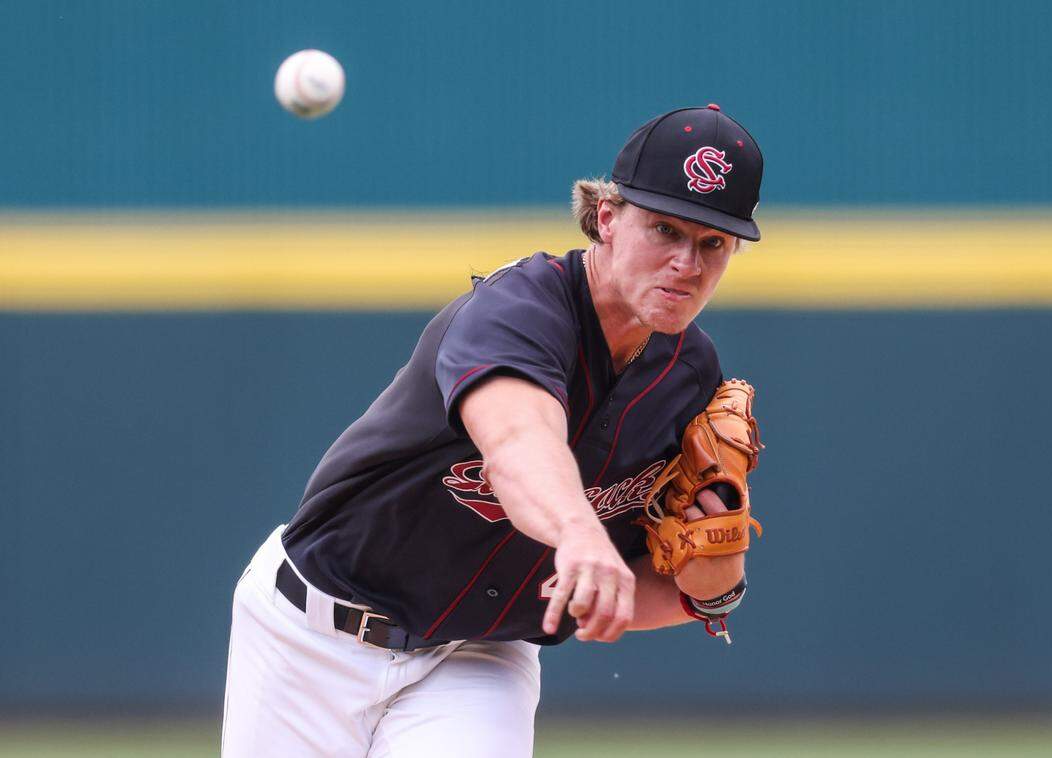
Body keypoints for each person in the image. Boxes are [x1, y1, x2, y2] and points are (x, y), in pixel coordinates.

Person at [221, 104, 765, 757]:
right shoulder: (517, 308)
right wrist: (577, 532)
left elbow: (621, 590)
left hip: (476, 659)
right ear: (608, 219)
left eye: (712, 242)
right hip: (310, 636)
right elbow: (516, 444)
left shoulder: (689, 378)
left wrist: (709, 589)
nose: (687, 262)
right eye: (666, 230)